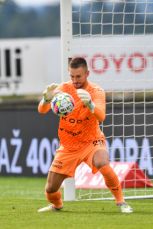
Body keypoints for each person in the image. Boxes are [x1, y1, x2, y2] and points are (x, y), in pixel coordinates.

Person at [38, 57, 133, 213]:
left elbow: (101, 117)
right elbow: (41, 111)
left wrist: (90, 104)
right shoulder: (63, 89)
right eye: (72, 76)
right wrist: (46, 99)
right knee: (50, 189)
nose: (75, 80)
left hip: (91, 141)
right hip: (68, 146)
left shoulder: (96, 91)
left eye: (78, 76)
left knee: (102, 162)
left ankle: (121, 202)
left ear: (87, 73)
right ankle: (57, 205)